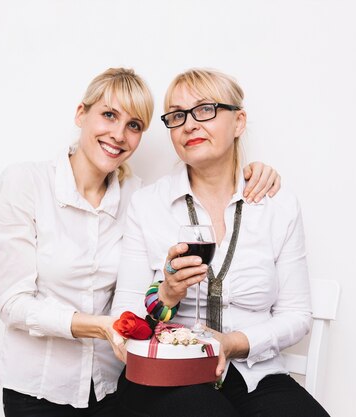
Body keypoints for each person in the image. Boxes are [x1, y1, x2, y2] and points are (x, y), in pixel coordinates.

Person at [0, 67, 281, 417]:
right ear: (82, 114)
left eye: (134, 125)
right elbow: (14, 304)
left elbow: (150, 290)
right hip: (38, 391)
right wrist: (100, 325)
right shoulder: (25, 184)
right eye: (109, 115)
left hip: (112, 391)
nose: (118, 135)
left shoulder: (137, 197)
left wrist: (250, 171)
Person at [111, 68, 330, 417]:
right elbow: (123, 320)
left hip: (253, 373)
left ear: (239, 121)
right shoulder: (148, 205)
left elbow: (296, 315)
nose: (189, 125)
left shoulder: (277, 205)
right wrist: (165, 295)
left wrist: (234, 344)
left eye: (205, 110)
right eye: (178, 116)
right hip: (169, 372)